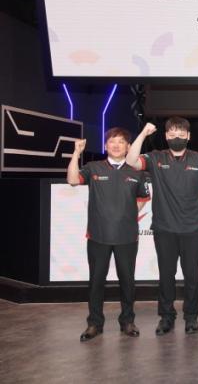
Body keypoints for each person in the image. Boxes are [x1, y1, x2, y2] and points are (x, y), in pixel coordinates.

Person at [126, 117, 198, 336]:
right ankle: (166, 316)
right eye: (172, 133)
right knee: (166, 275)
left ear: (188, 136)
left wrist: (194, 201)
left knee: (192, 275)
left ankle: (191, 317)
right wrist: (143, 134)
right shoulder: (156, 157)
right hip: (164, 227)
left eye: (181, 133)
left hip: (192, 228)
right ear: (166, 136)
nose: (177, 137)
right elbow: (131, 160)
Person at [67, 128, 150, 342]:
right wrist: (76, 153)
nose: (116, 145)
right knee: (96, 281)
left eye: (121, 142)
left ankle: (127, 321)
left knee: (127, 281)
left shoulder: (137, 173)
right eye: (112, 141)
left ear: (128, 147)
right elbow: (73, 180)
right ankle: (94, 323)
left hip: (127, 237)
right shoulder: (93, 167)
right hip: (98, 236)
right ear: (105, 146)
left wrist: (127, 214)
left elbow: (143, 198)